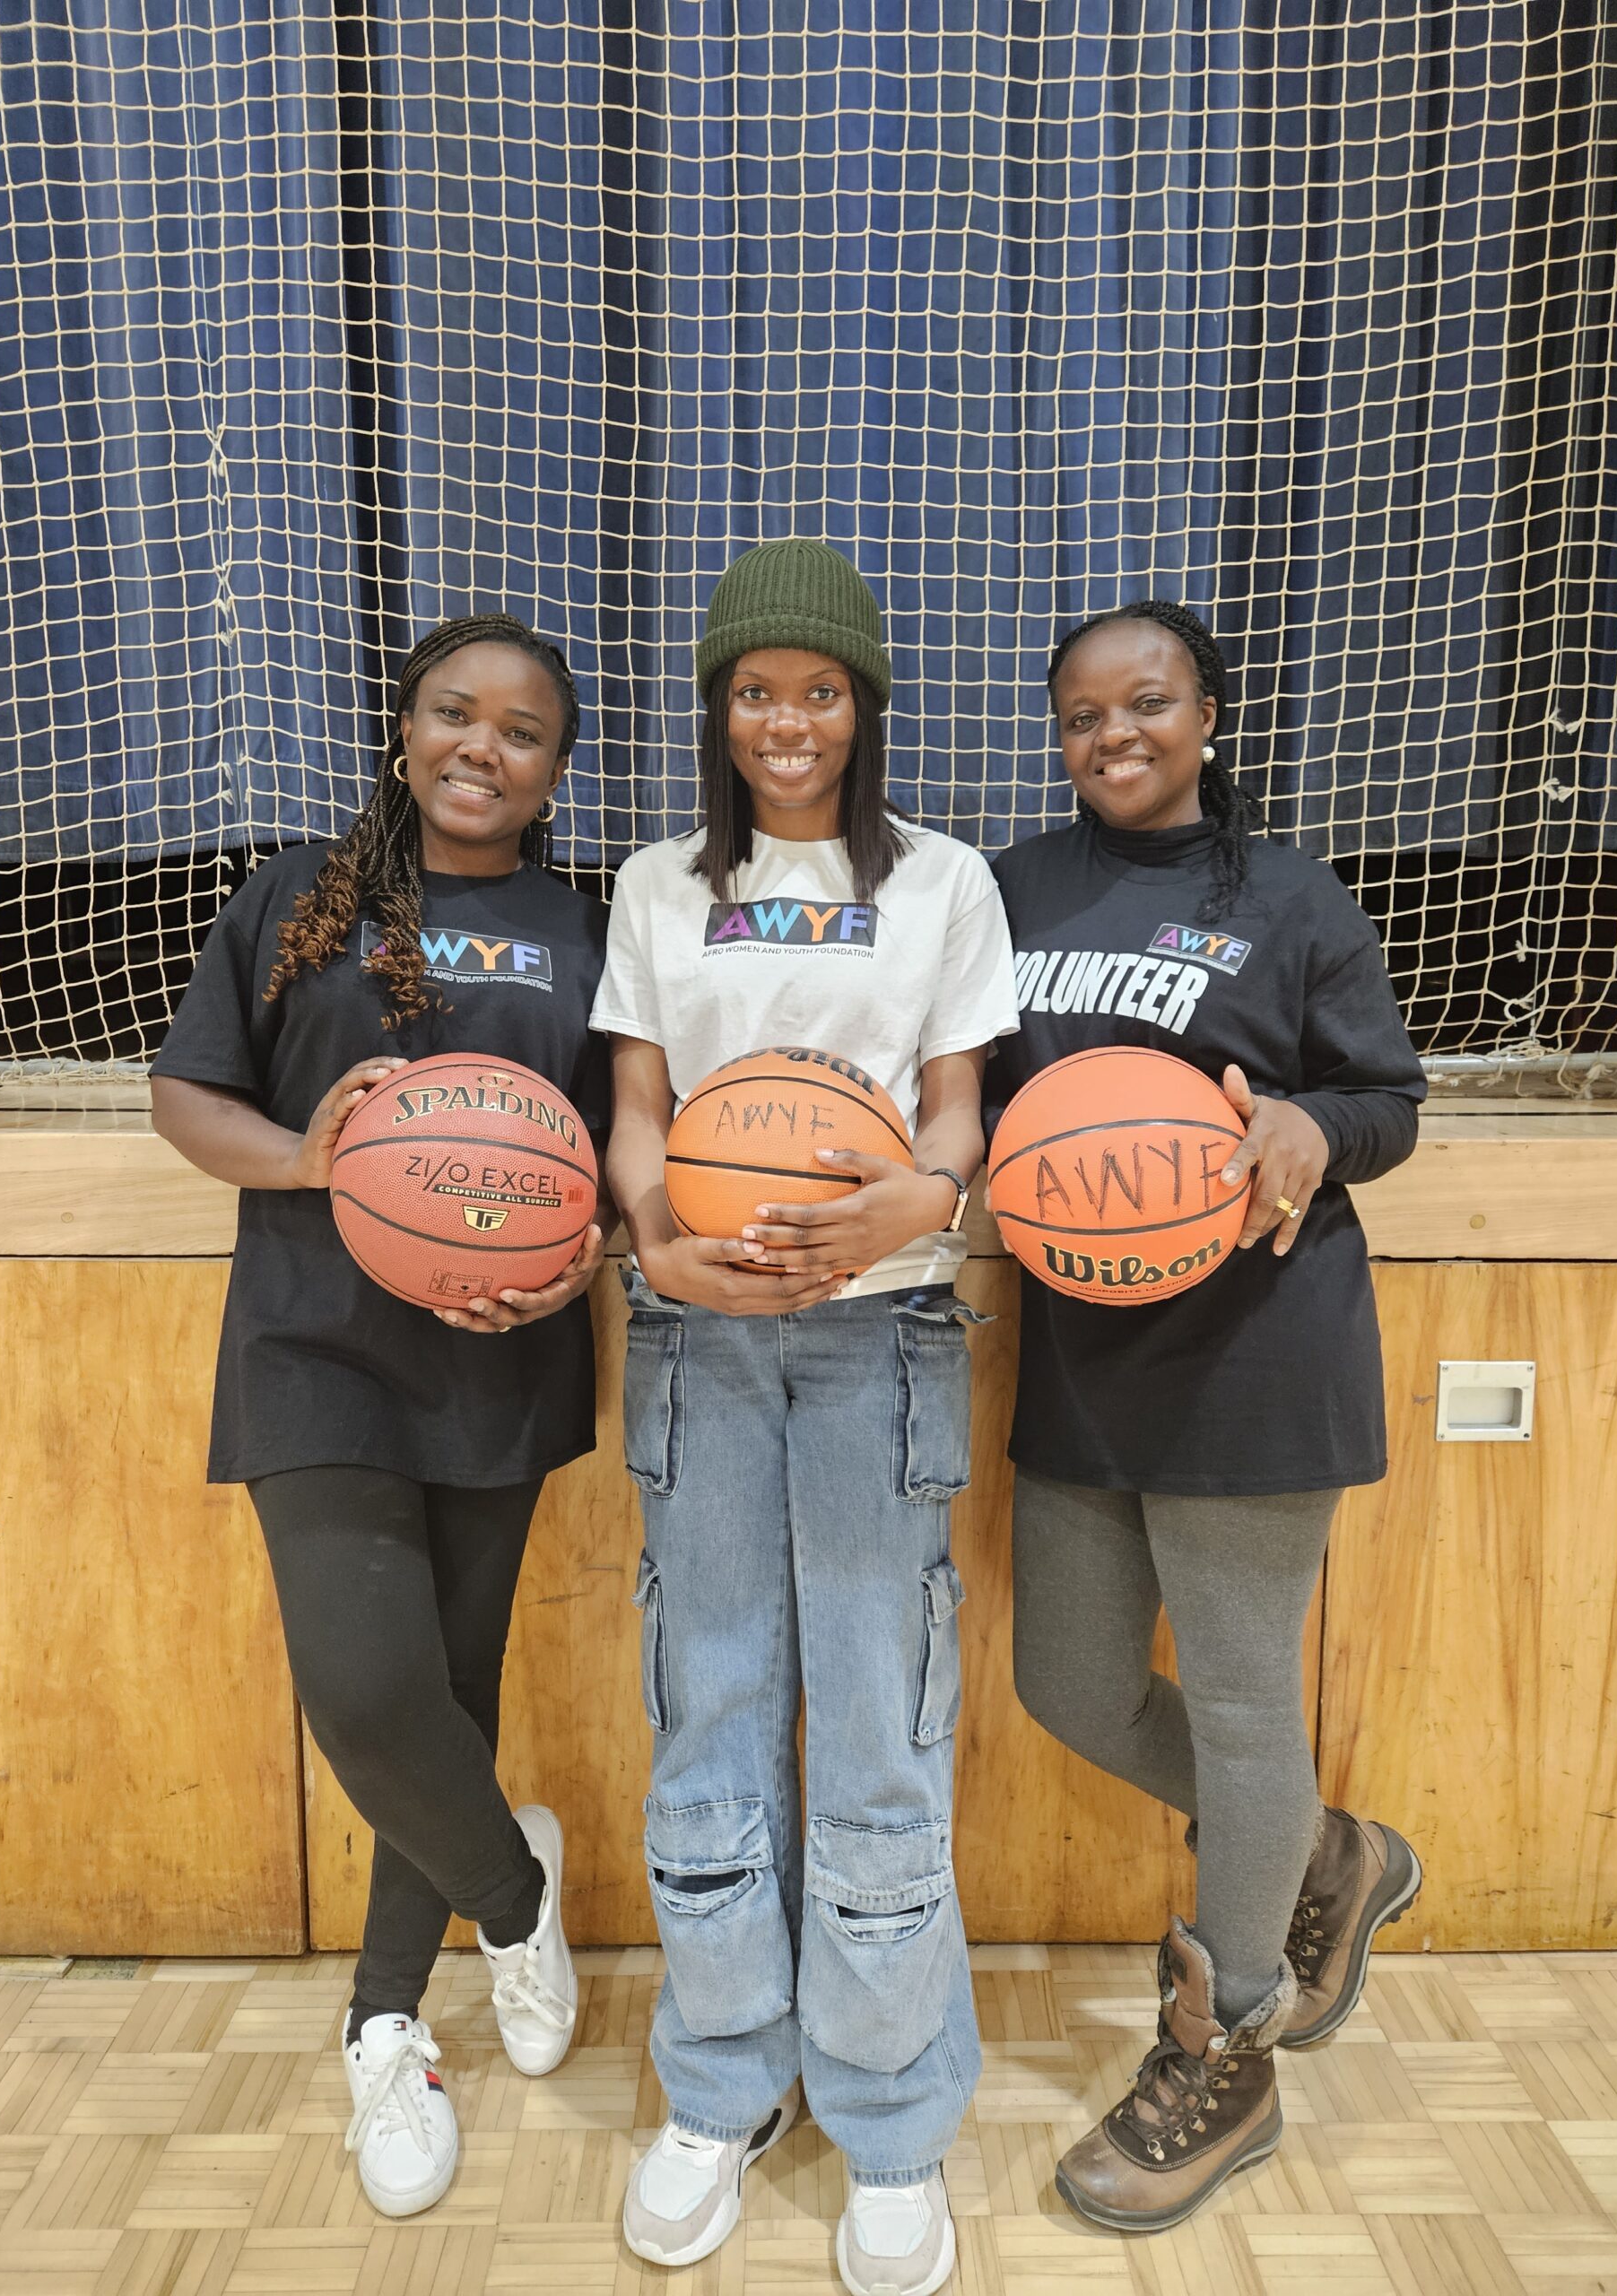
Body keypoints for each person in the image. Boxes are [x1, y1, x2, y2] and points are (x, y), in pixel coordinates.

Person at [594, 539, 1018, 2296]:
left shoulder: (943, 880)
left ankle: (892, 2115)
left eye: (821, 689)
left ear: (865, 705)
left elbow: (957, 1108)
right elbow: (638, 1109)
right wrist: (656, 1237)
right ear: (719, 706)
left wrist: (924, 1199)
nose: (788, 719)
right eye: (757, 689)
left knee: (877, 1724)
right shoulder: (653, 884)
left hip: (879, 1334)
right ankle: (720, 2087)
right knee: (705, 1710)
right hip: (697, 1340)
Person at [151, 614, 612, 2219]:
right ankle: (516, 1892)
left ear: (558, 767)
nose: (483, 747)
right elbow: (188, 1092)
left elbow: (616, 1152)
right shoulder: (295, 896)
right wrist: (302, 1160)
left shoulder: (585, 929)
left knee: (449, 1696)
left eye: (523, 731)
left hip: (500, 1358)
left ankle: (386, 2025)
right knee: (363, 1695)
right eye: (453, 714)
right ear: (405, 730)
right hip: (316, 1348)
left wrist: (578, 1263)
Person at [984, 600, 1425, 2234]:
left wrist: (1312, 1124)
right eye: (1083, 714)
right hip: (1085, 1353)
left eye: (1148, 703)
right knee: (1067, 1681)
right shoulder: (1012, 889)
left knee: (1242, 1710)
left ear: (1210, 714)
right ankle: (1323, 1849)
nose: (1115, 734)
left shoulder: (1290, 897)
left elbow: (1386, 1098)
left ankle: (1229, 2047)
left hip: (1257, 1351)